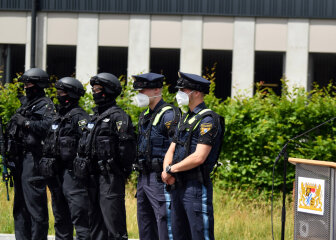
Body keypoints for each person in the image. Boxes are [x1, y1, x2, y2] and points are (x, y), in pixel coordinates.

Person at [161, 72, 225, 240]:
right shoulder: (186, 118)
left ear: (196, 92)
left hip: (195, 187)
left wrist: (170, 169)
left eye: (184, 89)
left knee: (198, 234)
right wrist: (167, 171)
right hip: (177, 185)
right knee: (178, 234)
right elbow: (171, 149)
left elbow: (199, 157)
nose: (179, 93)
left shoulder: (208, 119)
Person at [77, 72, 136, 240]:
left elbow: (127, 151)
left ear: (107, 91)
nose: (94, 92)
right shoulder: (94, 117)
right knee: (95, 224)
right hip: (92, 177)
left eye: (97, 89)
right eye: (93, 89)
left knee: (113, 224)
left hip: (110, 177)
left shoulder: (118, 117)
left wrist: (119, 171)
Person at [5, 68, 57, 239]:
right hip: (19, 159)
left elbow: (49, 126)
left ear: (39, 85)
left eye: (29, 84)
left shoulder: (45, 104)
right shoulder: (25, 105)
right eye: (25, 84)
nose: (26, 87)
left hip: (33, 159)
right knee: (19, 207)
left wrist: (26, 123)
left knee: (35, 205)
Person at [132, 73, 181, 240]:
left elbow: (178, 147)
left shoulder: (169, 115)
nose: (139, 95)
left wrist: (171, 172)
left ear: (157, 90)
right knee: (145, 222)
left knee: (163, 220)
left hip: (160, 178)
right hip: (143, 177)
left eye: (142, 91)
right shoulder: (145, 115)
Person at [41, 77, 91, 239]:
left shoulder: (79, 117)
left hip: (73, 175)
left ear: (71, 94)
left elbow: (87, 145)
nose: (58, 96)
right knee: (60, 218)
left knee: (80, 218)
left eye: (61, 93)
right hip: (56, 174)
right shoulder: (57, 117)